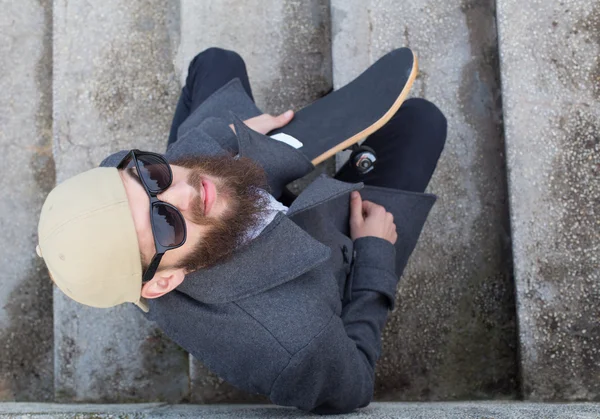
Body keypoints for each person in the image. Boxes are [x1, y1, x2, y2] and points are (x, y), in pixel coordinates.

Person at [36, 47, 446, 414]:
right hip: (328, 254)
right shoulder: (297, 345)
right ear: (163, 283)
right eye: (165, 221)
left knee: (216, 61)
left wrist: (227, 136)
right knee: (422, 122)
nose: (188, 189)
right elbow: (354, 383)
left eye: (153, 174)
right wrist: (375, 256)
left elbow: (146, 177)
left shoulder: (133, 185)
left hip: (246, 197)